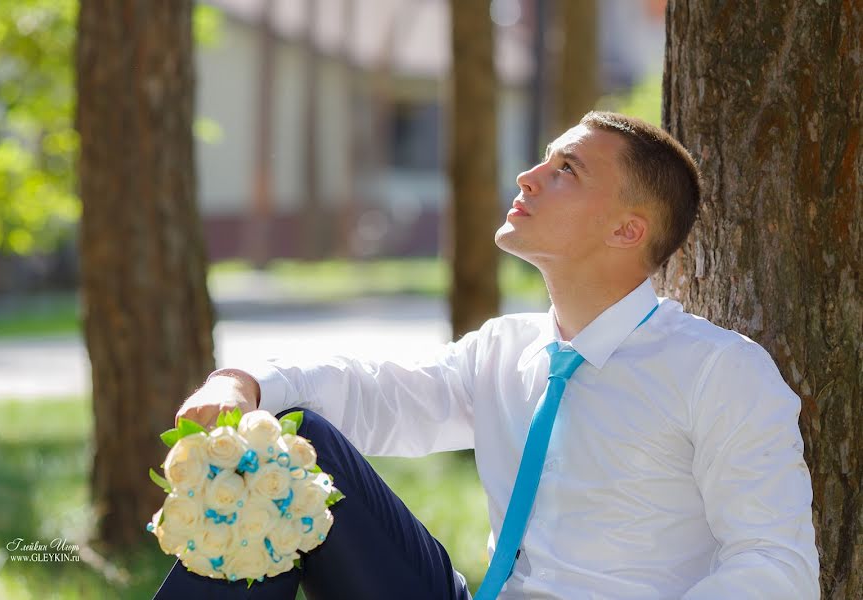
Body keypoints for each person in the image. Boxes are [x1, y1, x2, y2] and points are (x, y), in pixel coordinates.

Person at [155, 112, 819, 599]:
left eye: (566, 170)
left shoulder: (719, 372)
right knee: (288, 444)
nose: (528, 177)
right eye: (544, 160)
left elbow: (775, 568)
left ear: (627, 229)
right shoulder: (505, 351)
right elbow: (376, 394)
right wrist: (240, 381)